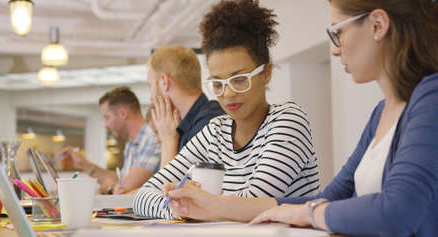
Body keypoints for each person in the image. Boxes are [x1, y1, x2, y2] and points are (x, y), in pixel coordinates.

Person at [166, 0, 438, 236]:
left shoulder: (431, 98)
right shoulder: (381, 112)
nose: (334, 49)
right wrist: (212, 205)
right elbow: (327, 198)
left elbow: (396, 212)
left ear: (378, 25)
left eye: (338, 33)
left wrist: (309, 213)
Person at [133, 0, 320, 219]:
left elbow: (254, 204)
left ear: (266, 73)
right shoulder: (215, 131)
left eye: (239, 80)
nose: (228, 94)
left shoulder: (288, 120)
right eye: (218, 83)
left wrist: (196, 205)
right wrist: (185, 209)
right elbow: (143, 196)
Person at [62, 87, 161, 194]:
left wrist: (111, 188)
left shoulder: (152, 138)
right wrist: (83, 164)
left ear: (123, 114)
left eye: (107, 117)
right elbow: (121, 180)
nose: (106, 125)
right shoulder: (131, 145)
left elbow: (125, 187)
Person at [146, 45, 224, 169]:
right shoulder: (180, 127)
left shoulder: (209, 124)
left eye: (150, 86)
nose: (151, 97)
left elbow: (167, 187)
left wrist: (168, 142)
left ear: (164, 82)